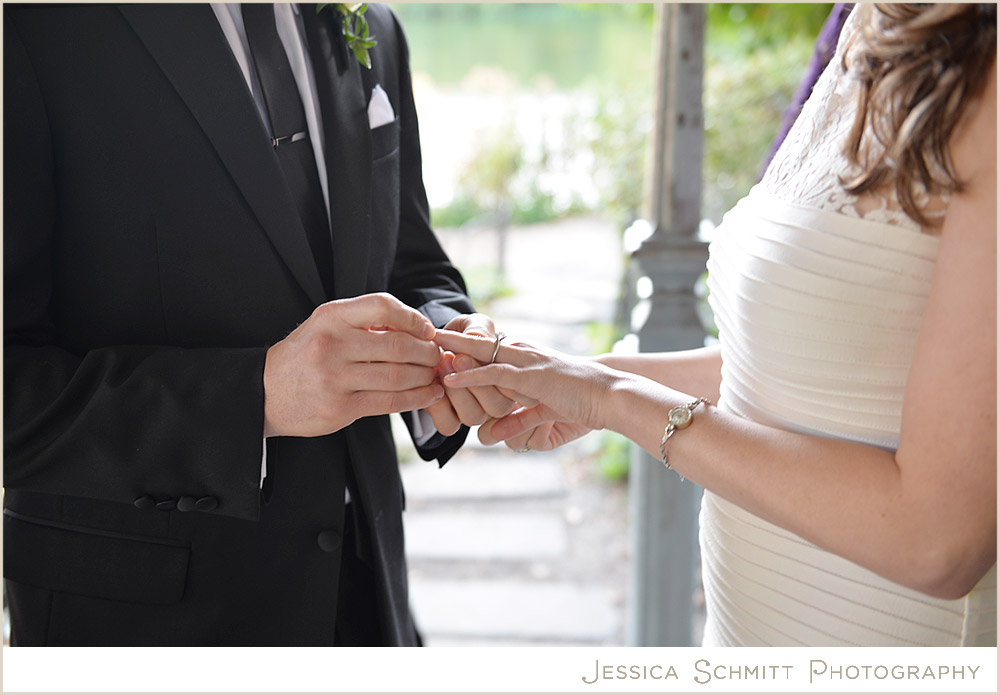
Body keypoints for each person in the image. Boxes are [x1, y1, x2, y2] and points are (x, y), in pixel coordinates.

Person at [435, 4, 997, 647]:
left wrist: (612, 398)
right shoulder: (859, 24)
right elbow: (799, 370)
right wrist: (582, 375)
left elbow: (936, 540)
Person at [3, 3, 510, 646]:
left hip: (366, 591)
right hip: (144, 621)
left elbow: (409, 259)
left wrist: (450, 336)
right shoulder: (33, 25)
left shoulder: (374, 24)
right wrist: (258, 397)